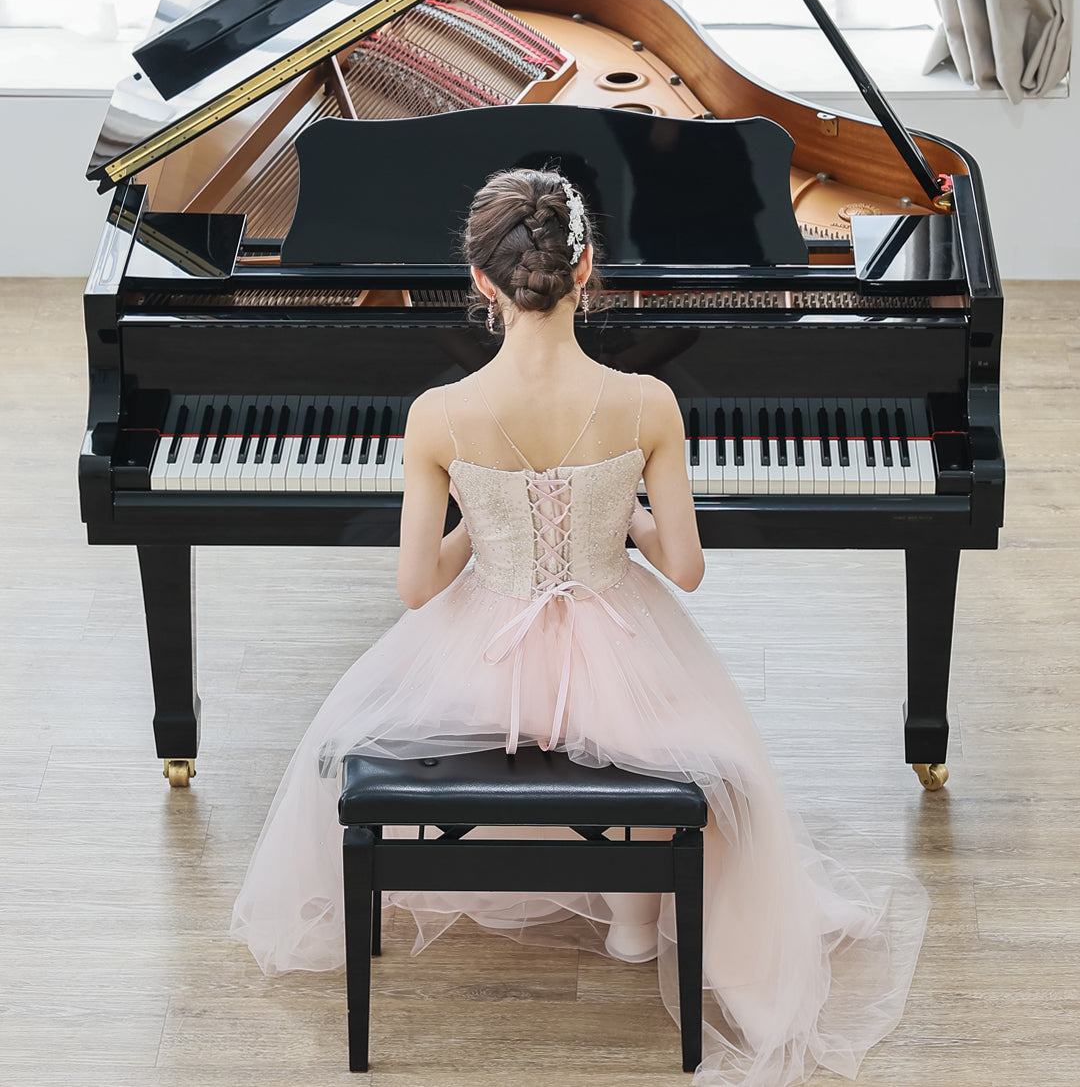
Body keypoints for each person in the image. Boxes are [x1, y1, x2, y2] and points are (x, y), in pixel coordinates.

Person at [231, 168, 929, 1087]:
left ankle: (558, 887)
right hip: (620, 640)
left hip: (481, 652)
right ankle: (638, 928)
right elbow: (683, 567)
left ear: (481, 283)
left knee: (412, 735)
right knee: (676, 754)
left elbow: (415, 586)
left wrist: (483, 532)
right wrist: (621, 519)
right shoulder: (647, 403)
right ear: (587, 268)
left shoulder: (438, 415)